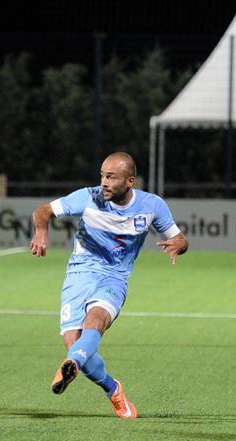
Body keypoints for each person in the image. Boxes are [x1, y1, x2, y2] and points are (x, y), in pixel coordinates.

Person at [29, 151, 189, 419]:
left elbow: (180, 238)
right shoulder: (88, 197)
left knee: (96, 320)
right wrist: (42, 230)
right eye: (102, 175)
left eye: (111, 177)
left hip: (115, 276)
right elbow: (43, 211)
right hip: (79, 273)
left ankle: (72, 363)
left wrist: (180, 245)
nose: (103, 182)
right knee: (75, 343)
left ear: (129, 181)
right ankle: (112, 388)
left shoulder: (152, 205)